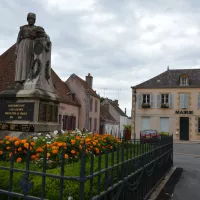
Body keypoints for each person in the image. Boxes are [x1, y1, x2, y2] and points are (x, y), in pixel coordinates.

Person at [15, 13, 46, 85]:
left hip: (31, 45)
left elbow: (44, 35)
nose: (30, 20)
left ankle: (26, 78)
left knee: (28, 62)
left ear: (34, 20)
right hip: (22, 45)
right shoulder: (23, 28)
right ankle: (20, 80)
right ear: (27, 19)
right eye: (29, 19)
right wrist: (16, 50)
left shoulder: (37, 28)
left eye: (32, 19)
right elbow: (18, 39)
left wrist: (45, 37)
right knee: (21, 61)